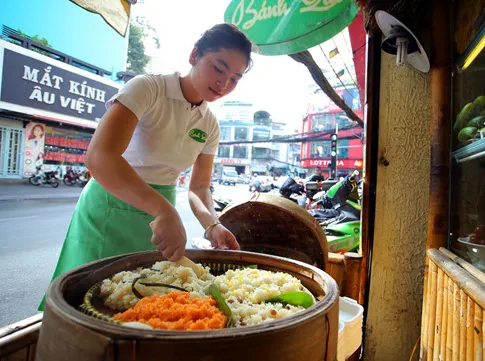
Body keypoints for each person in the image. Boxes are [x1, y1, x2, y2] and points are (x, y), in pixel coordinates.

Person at [39, 23, 252, 310]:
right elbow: (100, 156)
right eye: (218, 68)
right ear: (194, 56)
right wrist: (164, 210)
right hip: (111, 204)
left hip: (158, 221)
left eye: (235, 78)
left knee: (140, 304)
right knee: (87, 302)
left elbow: (199, 187)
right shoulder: (148, 88)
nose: (224, 84)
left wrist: (212, 224)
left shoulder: (210, 124)